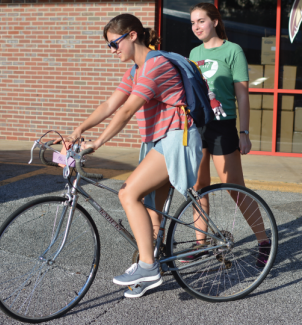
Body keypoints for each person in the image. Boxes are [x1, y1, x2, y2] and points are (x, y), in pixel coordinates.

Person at [58, 13, 203, 298]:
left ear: (132, 35)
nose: (112, 51)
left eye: (114, 44)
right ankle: (151, 269)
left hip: (177, 139)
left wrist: (97, 142)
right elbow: (111, 103)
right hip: (159, 140)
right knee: (151, 210)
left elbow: (126, 111)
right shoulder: (136, 70)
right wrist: (77, 131)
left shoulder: (155, 65)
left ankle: (147, 266)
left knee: (128, 194)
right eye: (109, 46)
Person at [178, 3, 271, 266]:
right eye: (193, 22)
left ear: (215, 22)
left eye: (201, 21)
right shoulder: (194, 52)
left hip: (223, 125)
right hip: (199, 126)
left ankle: (264, 241)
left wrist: (244, 132)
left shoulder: (233, 50)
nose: (196, 27)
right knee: (198, 187)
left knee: (236, 190)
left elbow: (242, 95)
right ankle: (201, 244)